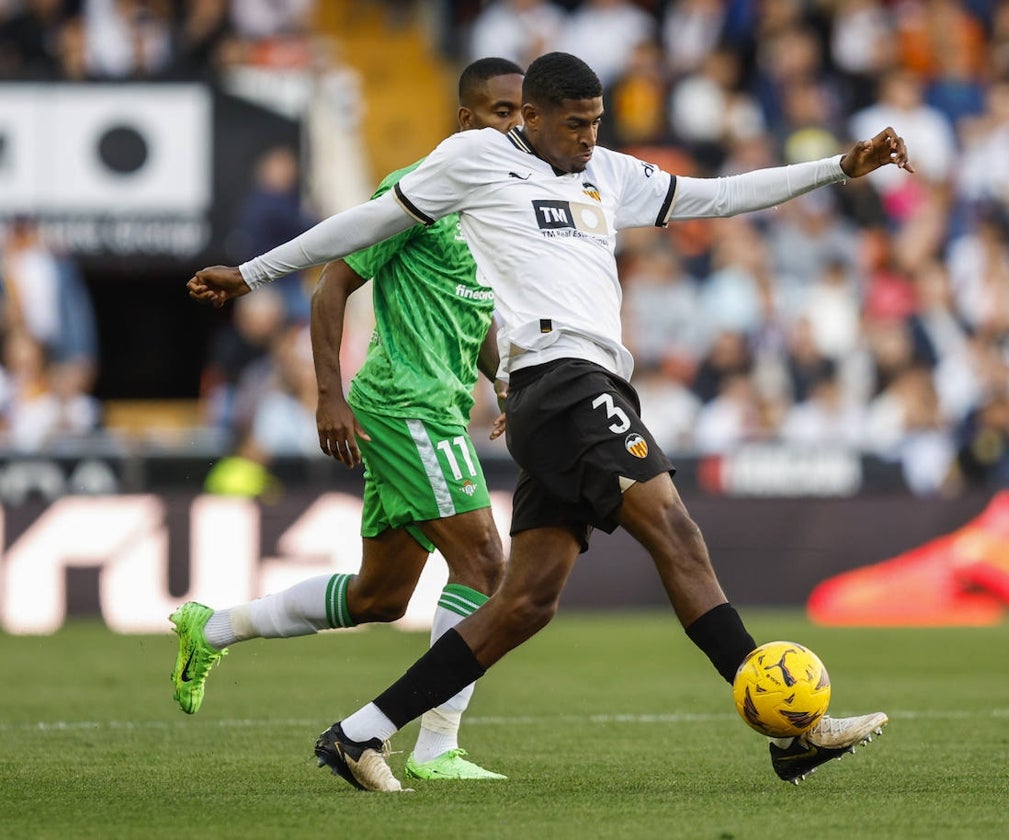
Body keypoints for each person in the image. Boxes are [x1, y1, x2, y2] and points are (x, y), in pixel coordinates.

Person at [188, 51, 912, 791]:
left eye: (596, 122)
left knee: (524, 603)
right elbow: (363, 223)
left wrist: (839, 168)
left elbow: (719, 195)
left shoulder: (609, 173)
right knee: (678, 534)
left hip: (578, 390)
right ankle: (795, 732)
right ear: (529, 116)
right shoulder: (474, 159)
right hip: (560, 382)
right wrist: (250, 274)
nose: (588, 137)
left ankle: (357, 734)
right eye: (574, 124)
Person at [173, 57, 527, 787]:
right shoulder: (416, 189)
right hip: (406, 404)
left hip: (436, 407)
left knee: (380, 597)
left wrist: (501, 379)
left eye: (522, 113)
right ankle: (436, 748)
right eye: (500, 112)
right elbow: (331, 288)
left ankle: (209, 628)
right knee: (486, 565)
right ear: (466, 121)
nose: (515, 125)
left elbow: (475, 307)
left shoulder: (497, 202)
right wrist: (327, 396)